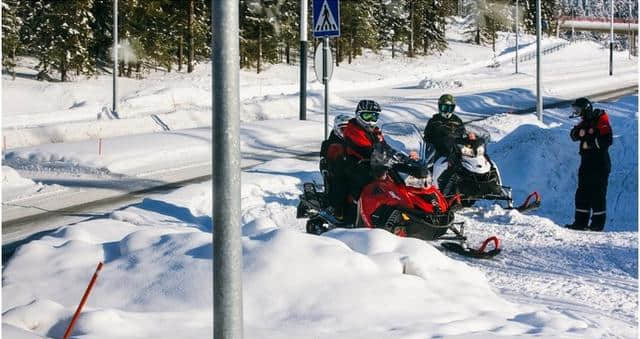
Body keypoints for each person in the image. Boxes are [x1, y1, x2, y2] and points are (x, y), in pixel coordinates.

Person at [566, 97, 613, 231]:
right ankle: (580, 223)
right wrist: (580, 133)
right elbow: (573, 135)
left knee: (597, 194)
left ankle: (597, 225)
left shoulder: (600, 119)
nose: (576, 112)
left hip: (600, 163)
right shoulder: (585, 121)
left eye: (578, 110)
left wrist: (590, 144)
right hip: (586, 163)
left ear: (585, 109)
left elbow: (607, 140)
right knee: (582, 192)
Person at [342, 100, 385, 210]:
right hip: (355, 165)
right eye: (367, 115)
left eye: (374, 116)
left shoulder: (375, 131)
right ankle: (359, 208)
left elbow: (385, 146)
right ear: (358, 115)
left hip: (373, 163)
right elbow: (363, 149)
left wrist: (401, 155)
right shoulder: (352, 130)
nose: (371, 120)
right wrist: (378, 154)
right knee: (366, 181)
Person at [424, 94, 464, 189]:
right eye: (444, 107)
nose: (447, 110)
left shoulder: (457, 120)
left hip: (455, 151)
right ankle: (436, 185)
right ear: (439, 107)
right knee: (435, 169)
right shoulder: (434, 121)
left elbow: (462, 134)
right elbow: (427, 137)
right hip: (438, 152)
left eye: (449, 108)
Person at [320, 114, 351, 217]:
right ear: (337, 129)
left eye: (348, 129)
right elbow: (323, 160)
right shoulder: (328, 143)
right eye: (343, 129)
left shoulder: (354, 141)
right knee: (341, 186)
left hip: (352, 168)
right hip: (336, 171)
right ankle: (336, 209)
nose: (346, 132)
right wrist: (326, 167)